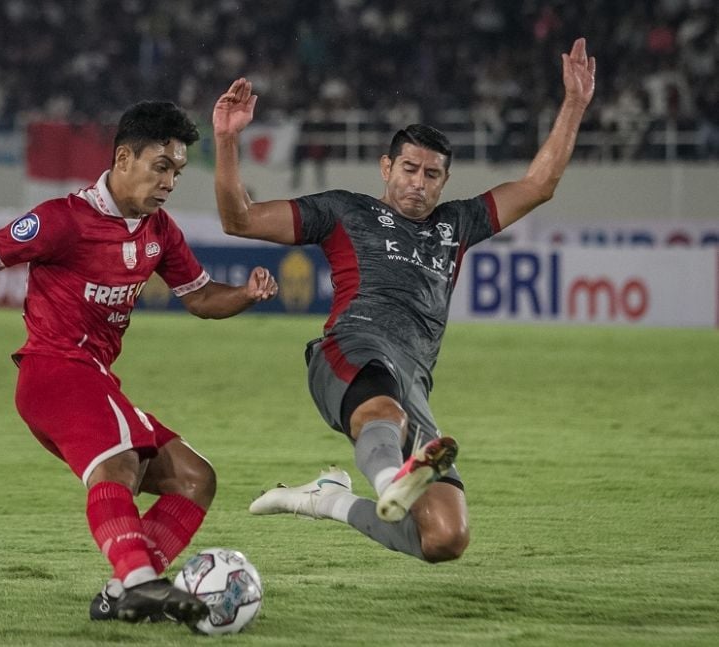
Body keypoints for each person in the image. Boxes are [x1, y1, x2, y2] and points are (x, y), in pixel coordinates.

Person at [0, 100, 279, 626]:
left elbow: (200, 299)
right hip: (53, 372)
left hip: (94, 380)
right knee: (121, 462)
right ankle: (139, 581)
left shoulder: (160, 231)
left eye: (176, 171)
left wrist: (243, 294)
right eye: (161, 167)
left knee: (196, 478)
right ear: (124, 158)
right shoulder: (62, 219)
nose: (170, 182)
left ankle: (119, 592)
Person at [211, 39, 595, 563]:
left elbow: (539, 183)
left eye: (431, 174)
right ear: (386, 166)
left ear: (445, 180)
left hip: (411, 384)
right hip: (350, 353)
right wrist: (227, 142)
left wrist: (574, 104)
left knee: (444, 538)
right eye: (409, 168)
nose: (418, 182)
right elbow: (239, 219)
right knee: (382, 407)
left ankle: (332, 502)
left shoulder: (456, 224)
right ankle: (395, 480)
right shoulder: (344, 211)